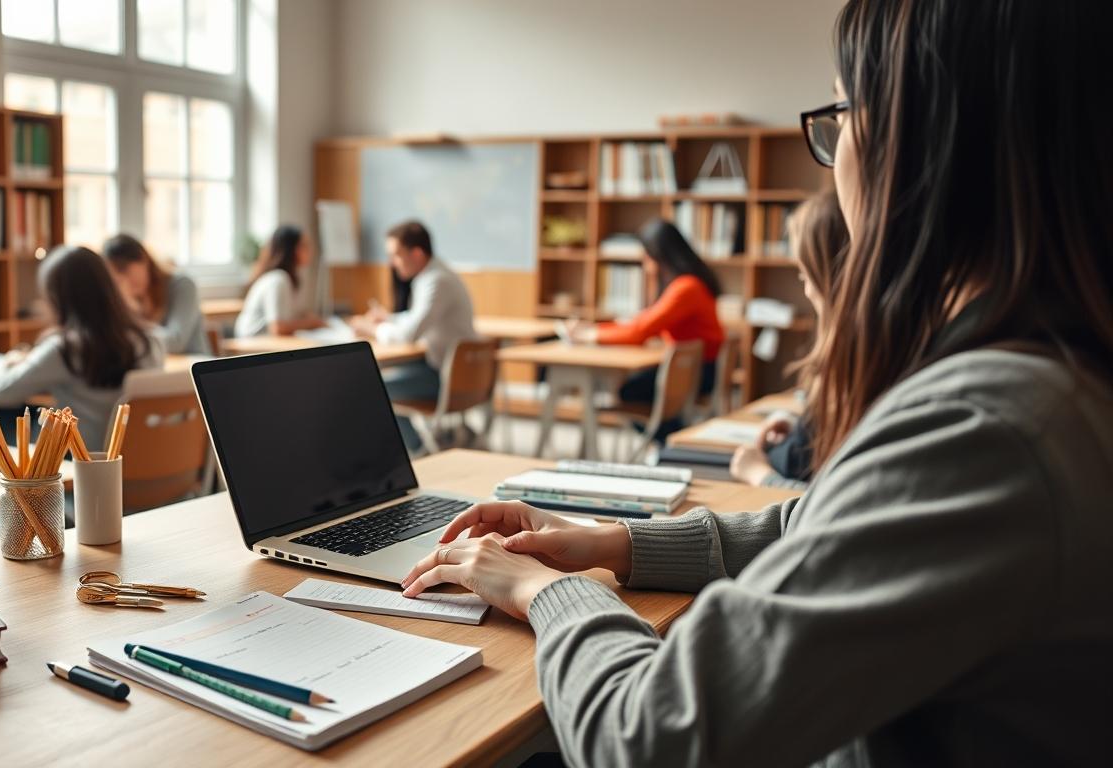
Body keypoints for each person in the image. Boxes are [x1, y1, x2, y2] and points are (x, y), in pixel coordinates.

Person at [401, 0, 1113, 764]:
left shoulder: (988, 434)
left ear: (930, 142)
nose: (835, 157)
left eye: (844, 114)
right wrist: (607, 541)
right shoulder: (1051, 385)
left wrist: (543, 590)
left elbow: (645, 739)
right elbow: (811, 526)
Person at [729, 190, 849, 490]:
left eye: (804, 275)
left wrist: (759, 475)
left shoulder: (854, 360)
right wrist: (801, 431)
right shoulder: (848, 352)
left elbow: (824, 503)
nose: (806, 290)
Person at [0, 246, 164, 451]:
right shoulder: (149, 340)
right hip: (139, 462)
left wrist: (10, 363)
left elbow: (0, 393)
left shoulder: (65, 350)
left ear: (58, 298)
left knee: (4, 417)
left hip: (83, 464)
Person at [572, 219, 725, 434]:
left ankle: (670, 441)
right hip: (695, 369)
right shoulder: (690, 283)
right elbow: (641, 322)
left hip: (695, 374)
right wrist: (596, 329)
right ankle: (670, 441)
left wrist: (592, 335)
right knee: (634, 386)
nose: (644, 262)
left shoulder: (686, 288)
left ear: (659, 255)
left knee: (630, 391)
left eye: (646, 255)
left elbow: (640, 331)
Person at [351, 220, 476, 452]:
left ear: (417, 254)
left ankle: (417, 449)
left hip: (445, 378)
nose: (392, 263)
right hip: (453, 373)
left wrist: (372, 329)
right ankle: (416, 447)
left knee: (372, 385)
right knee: (379, 378)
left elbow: (409, 335)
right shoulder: (437, 274)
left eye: (396, 255)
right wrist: (389, 318)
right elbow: (418, 318)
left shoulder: (435, 281)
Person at [102, 234, 210, 355]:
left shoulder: (182, 285)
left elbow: (176, 341)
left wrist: (135, 330)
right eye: (118, 280)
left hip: (192, 366)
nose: (126, 282)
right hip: (160, 369)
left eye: (125, 270)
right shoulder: (125, 297)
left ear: (144, 260)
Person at [233, 225, 325, 337]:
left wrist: (306, 318)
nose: (311, 250)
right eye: (304, 246)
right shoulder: (278, 279)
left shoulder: (284, 278)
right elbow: (278, 328)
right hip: (254, 344)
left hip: (264, 341)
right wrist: (310, 324)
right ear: (292, 249)